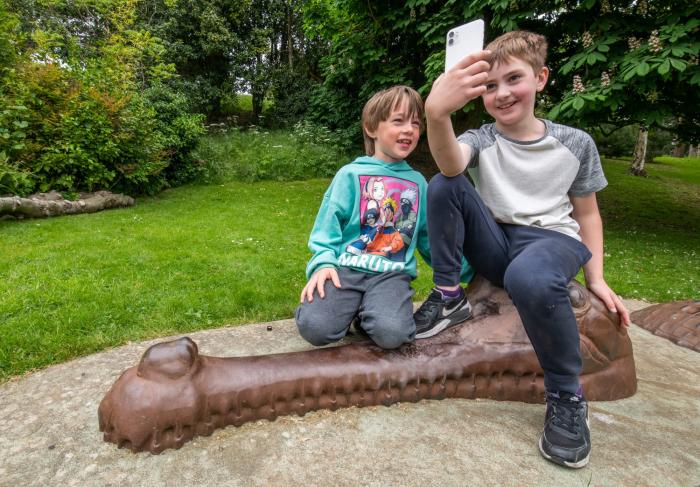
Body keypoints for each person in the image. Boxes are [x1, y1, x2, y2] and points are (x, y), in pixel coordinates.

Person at [415, 30, 631, 468]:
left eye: (514, 78)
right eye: (489, 85)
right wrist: (436, 113)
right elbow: (450, 163)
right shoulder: (482, 138)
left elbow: (587, 214)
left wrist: (598, 280)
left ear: (541, 78)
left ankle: (567, 396)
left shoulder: (575, 142)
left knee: (529, 277)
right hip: (497, 239)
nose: (502, 93)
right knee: (444, 183)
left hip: (552, 239)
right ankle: (449, 296)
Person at [296, 85, 472, 349]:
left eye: (415, 123)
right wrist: (322, 263)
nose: (409, 130)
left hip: (391, 275)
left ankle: (366, 314)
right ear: (371, 128)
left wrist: (469, 271)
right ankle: (351, 310)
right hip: (345, 270)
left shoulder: (418, 184)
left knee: (393, 335)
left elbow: (428, 238)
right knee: (315, 329)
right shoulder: (349, 174)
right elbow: (327, 226)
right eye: (398, 121)